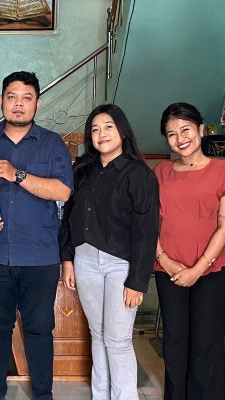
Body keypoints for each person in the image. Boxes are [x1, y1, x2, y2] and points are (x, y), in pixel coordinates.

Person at [0, 71, 73, 400]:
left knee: (39, 330)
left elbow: (63, 191)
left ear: (37, 103)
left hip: (39, 257)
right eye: (11, 97)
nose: (18, 104)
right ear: (1, 101)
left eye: (26, 98)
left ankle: (43, 395)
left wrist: (18, 175)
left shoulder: (52, 143)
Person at [59, 104, 159, 400]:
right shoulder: (82, 171)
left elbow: (146, 231)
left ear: (122, 131)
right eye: (95, 129)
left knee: (118, 340)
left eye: (108, 127)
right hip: (85, 261)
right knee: (99, 335)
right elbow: (70, 217)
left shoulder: (138, 174)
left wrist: (137, 281)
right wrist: (67, 259)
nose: (101, 134)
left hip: (121, 265)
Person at [153, 102, 225, 399]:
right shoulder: (161, 172)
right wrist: (165, 260)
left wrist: (198, 269)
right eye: (171, 133)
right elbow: (148, 222)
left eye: (185, 129)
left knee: (206, 344)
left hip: (211, 271)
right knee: (174, 343)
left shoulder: (224, 172)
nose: (180, 138)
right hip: (168, 270)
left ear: (201, 129)